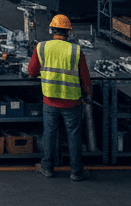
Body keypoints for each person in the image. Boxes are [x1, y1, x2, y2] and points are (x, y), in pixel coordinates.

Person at [28, 14, 92, 181]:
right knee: (74, 135)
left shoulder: (42, 47)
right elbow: (85, 77)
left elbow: (31, 71)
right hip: (72, 102)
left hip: (50, 100)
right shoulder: (75, 50)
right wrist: (88, 93)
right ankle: (76, 172)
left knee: (49, 133)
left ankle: (47, 168)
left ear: (51, 30)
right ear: (69, 32)